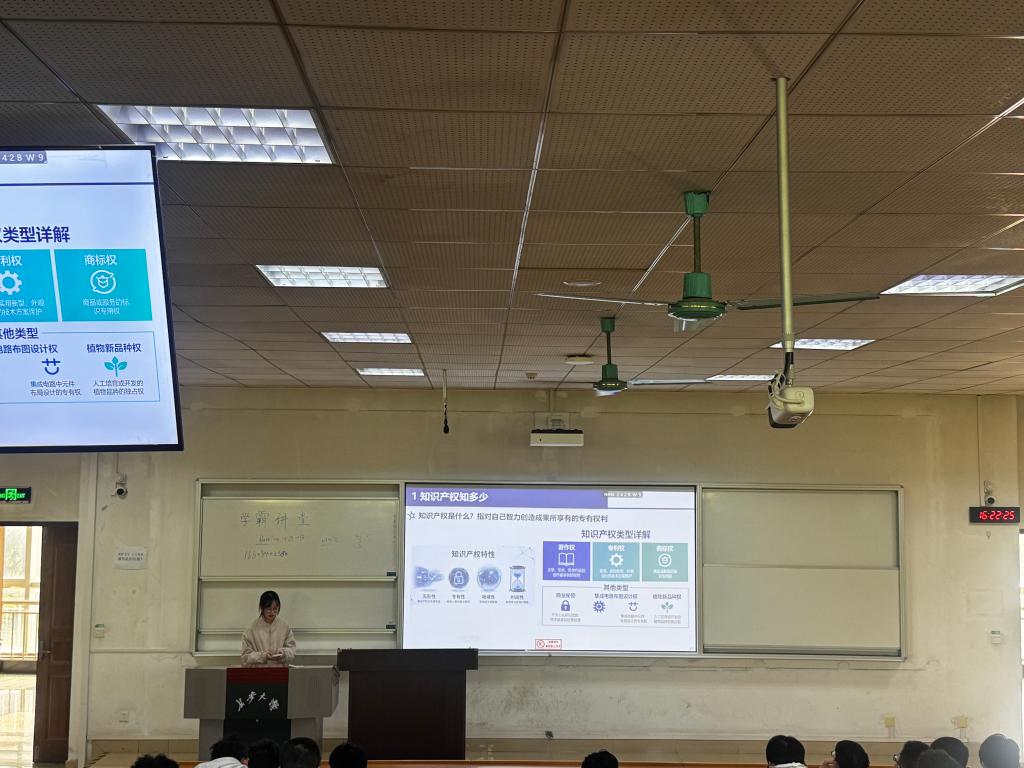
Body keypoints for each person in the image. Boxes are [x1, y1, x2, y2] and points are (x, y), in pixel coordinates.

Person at [241, 590, 296, 666]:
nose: (272, 612)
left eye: (275, 608)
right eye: (269, 609)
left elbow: (292, 650)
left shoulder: (284, 626)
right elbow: (245, 657)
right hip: (259, 672)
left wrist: (284, 653)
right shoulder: (252, 629)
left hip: (280, 671)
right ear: (262, 608)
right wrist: (263, 656)